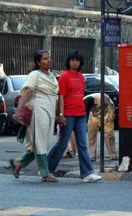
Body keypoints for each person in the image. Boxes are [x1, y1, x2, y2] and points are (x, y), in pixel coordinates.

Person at [47, 51, 102, 183]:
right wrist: (60, 115)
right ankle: (46, 168)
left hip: (81, 114)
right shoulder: (64, 76)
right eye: (72, 60)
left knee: (82, 144)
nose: (75, 62)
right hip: (68, 114)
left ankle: (87, 173)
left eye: (77, 60)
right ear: (69, 61)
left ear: (80, 62)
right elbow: (60, 97)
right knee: (62, 144)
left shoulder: (81, 77)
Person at [9, 50, 59, 182]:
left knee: (40, 143)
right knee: (40, 142)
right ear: (38, 62)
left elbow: (55, 97)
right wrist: (19, 110)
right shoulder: (35, 75)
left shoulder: (52, 76)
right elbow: (27, 92)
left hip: (49, 112)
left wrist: (59, 115)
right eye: (45, 59)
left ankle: (19, 164)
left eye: (49, 58)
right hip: (38, 111)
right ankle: (45, 173)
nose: (49, 60)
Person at [84, 92, 117, 161]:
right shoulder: (84, 100)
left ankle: (113, 154)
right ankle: (92, 155)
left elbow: (111, 105)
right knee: (91, 135)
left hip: (106, 114)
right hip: (93, 116)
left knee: (109, 135)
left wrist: (110, 117)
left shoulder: (103, 97)